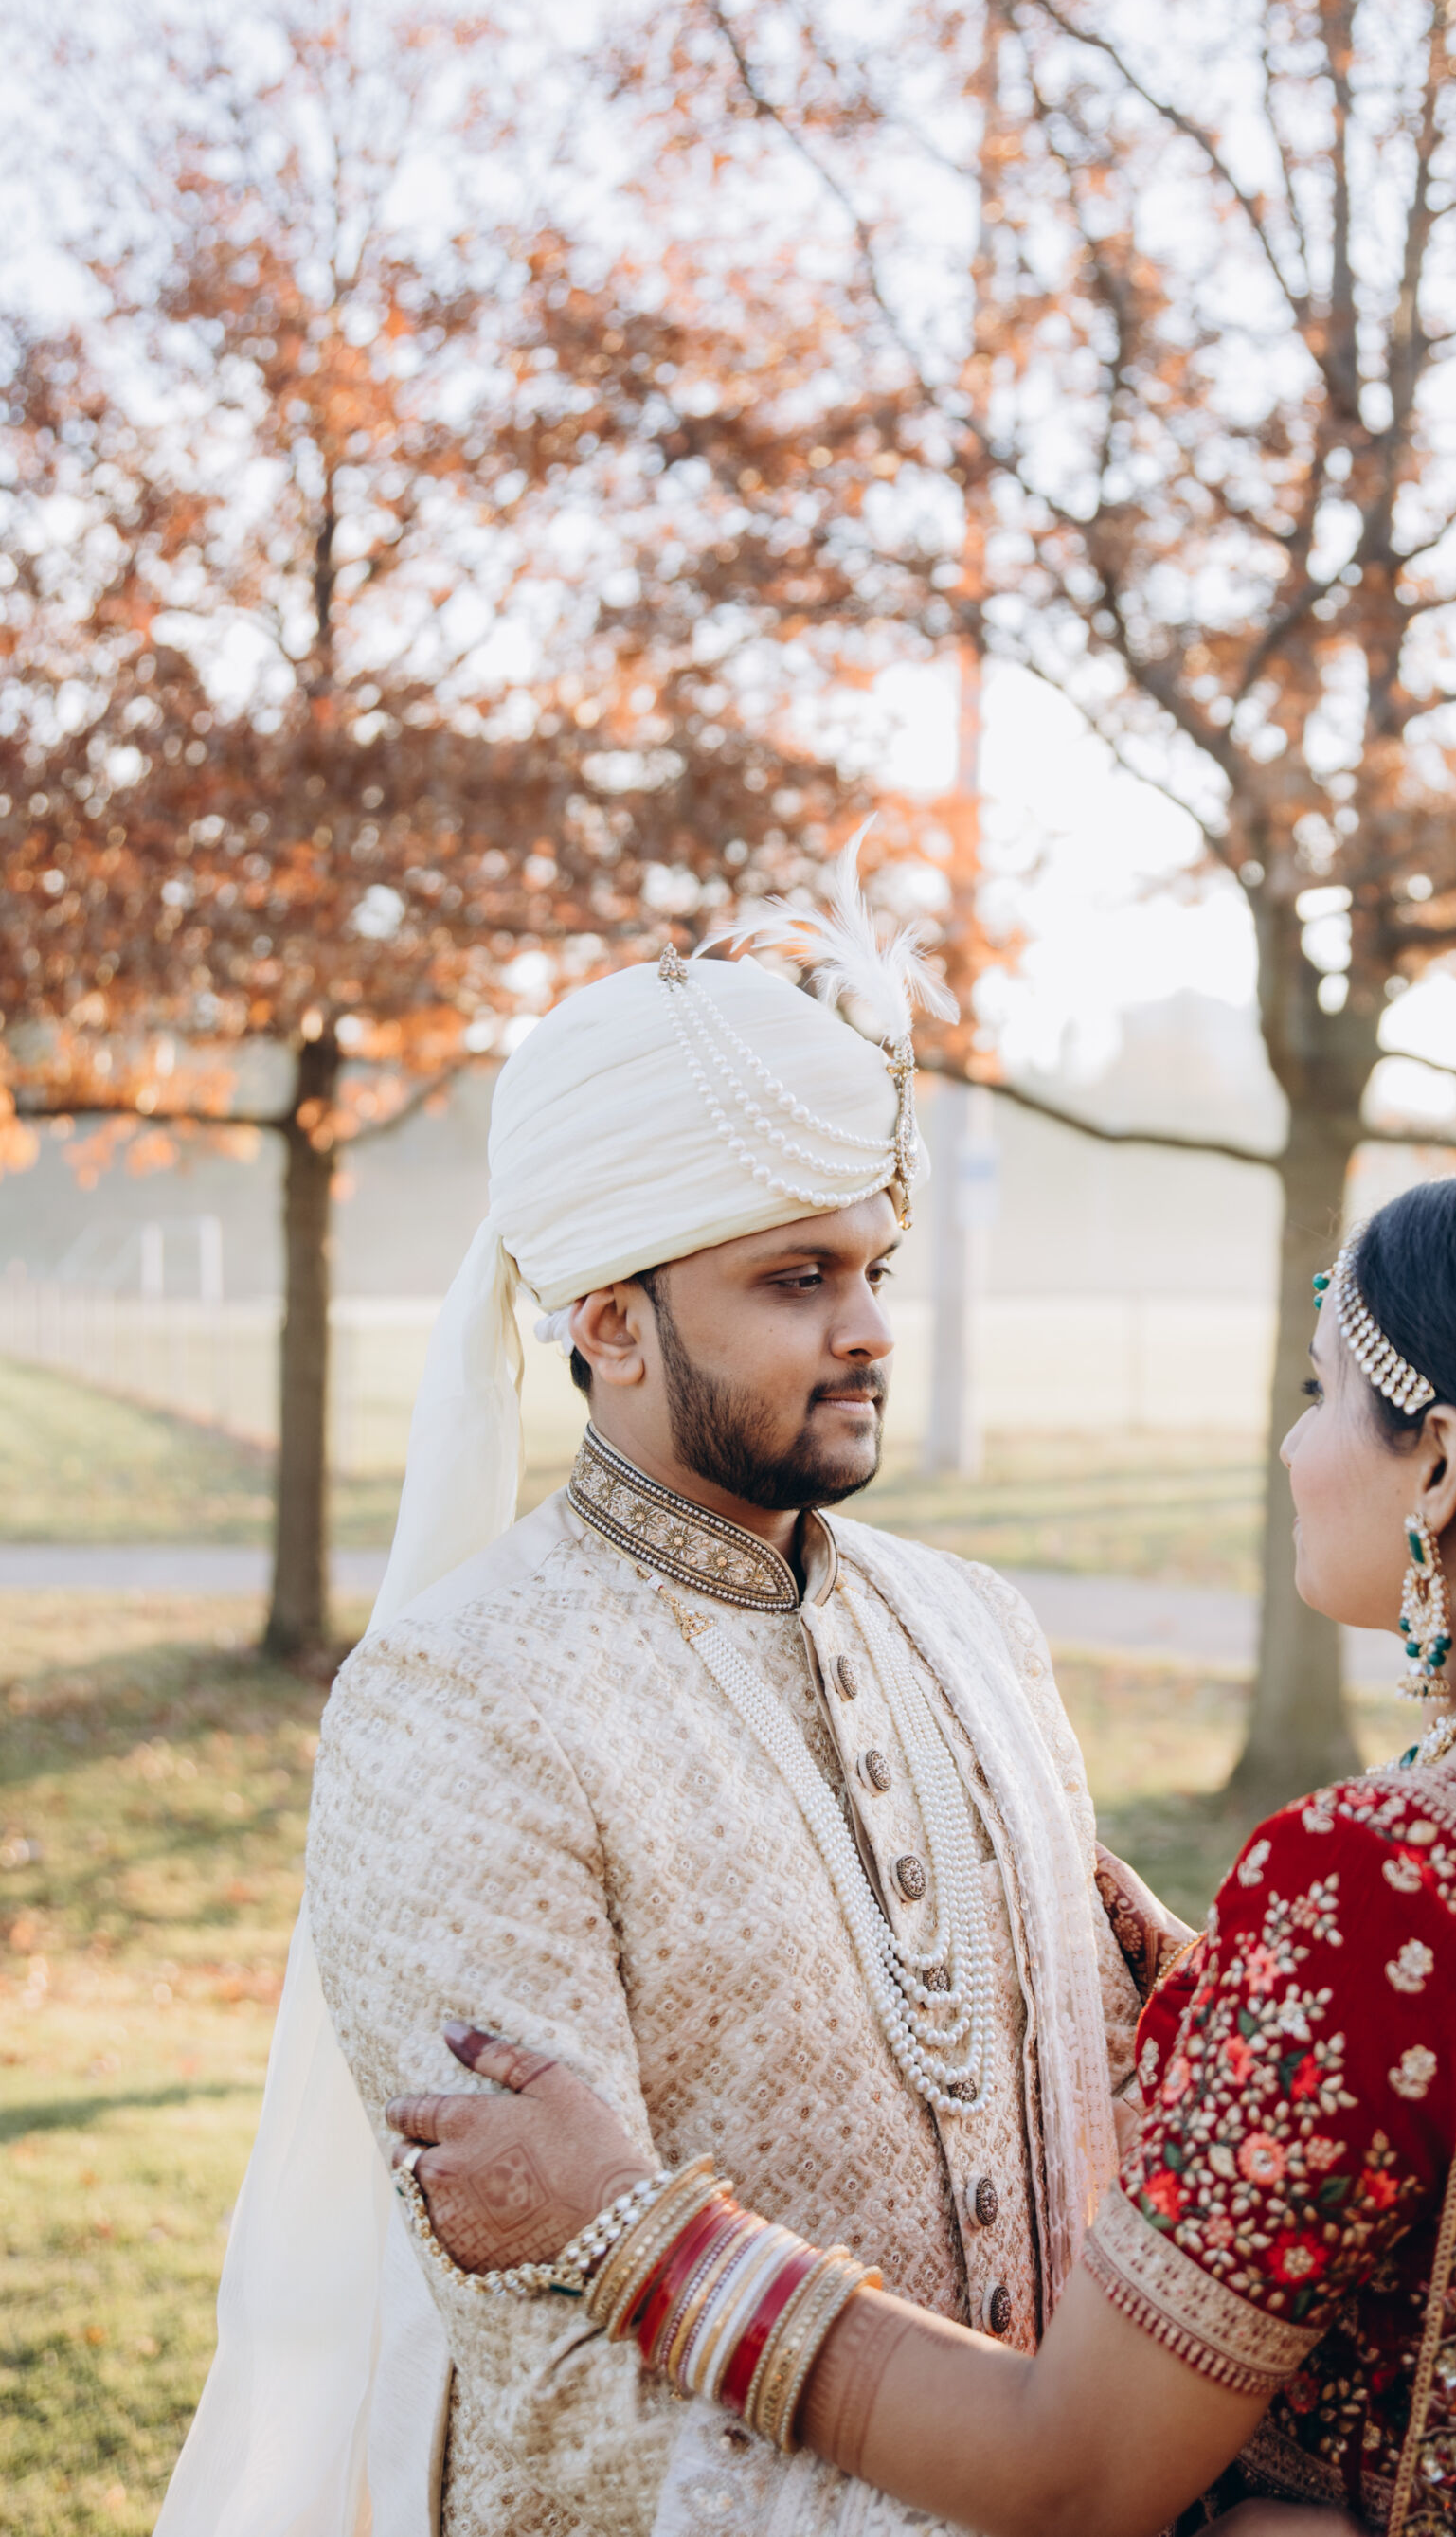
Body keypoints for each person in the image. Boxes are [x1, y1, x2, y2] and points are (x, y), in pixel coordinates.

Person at [395, 1162, 1456, 2535]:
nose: (1291, 1447)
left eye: (1320, 1394)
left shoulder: (1379, 1880)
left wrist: (639, 2232)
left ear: (1441, 1462)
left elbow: (1071, 2473)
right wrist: (1223, 1992)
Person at [154, 851, 1181, 2537]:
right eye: (798, 1279)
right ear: (613, 1325)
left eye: (876, 1268)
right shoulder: (456, 1703)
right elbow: (563, 2385)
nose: (870, 1328)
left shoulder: (981, 1628)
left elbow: (1118, 2148)